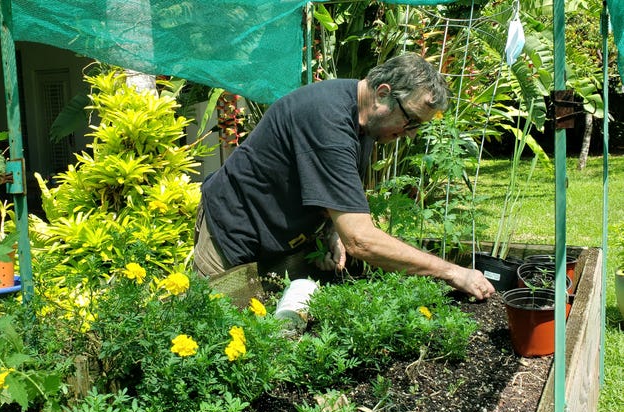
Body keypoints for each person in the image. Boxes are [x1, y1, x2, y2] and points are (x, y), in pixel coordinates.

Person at [193, 52, 496, 300]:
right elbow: (361, 240)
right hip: (233, 238)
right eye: (411, 120)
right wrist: (454, 272)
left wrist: (331, 231)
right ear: (383, 93)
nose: (411, 134)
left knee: (281, 330)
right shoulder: (328, 122)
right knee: (225, 346)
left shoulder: (364, 119)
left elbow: (323, 188)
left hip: (277, 239)